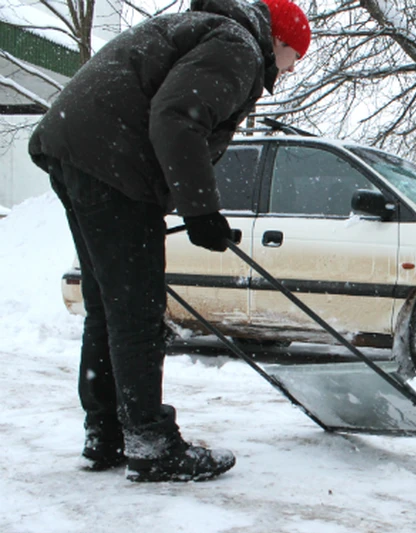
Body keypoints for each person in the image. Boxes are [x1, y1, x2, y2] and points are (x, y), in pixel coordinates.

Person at [28, 0, 311, 481]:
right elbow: (177, 117)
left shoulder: (207, 30)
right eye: (295, 57)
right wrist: (201, 210)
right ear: (280, 41)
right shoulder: (239, 46)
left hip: (76, 147)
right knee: (136, 309)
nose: (291, 67)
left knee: (110, 304)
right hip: (114, 161)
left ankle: (107, 434)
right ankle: (151, 444)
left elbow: (165, 109)